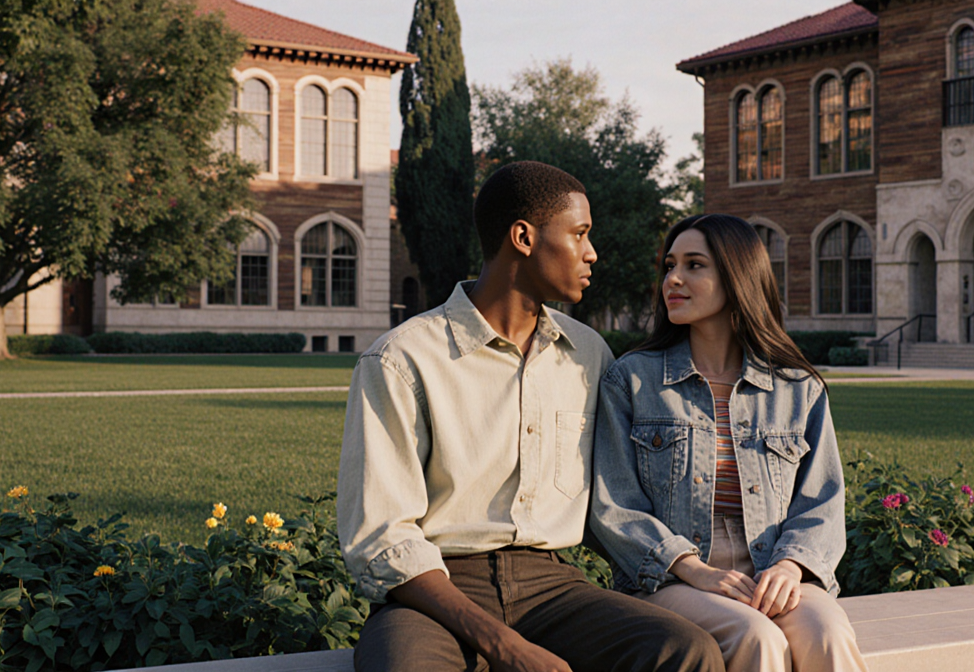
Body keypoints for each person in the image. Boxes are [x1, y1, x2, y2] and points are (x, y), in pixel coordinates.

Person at [337, 162, 723, 672]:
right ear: (523, 237)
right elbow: (380, 536)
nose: (592, 253)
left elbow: (615, 500)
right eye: (580, 234)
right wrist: (502, 645)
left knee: (685, 651)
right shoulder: (401, 360)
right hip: (433, 590)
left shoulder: (588, 354)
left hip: (554, 589)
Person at [589, 213, 869, 672]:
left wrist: (789, 567)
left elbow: (823, 500)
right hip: (672, 578)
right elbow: (614, 506)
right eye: (670, 266)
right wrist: (695, 570)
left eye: (695, 265)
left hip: (771, 570)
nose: (673, 279)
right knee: (755, 636)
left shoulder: (797, 388)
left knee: (829, 633)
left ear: (738, 276)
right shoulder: (632, 380)